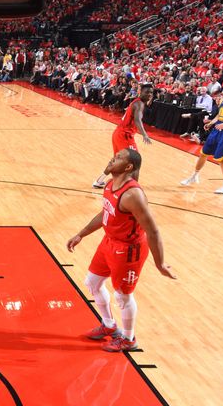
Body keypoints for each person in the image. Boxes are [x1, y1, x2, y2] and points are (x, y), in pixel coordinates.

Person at [67, 148, 177, 352]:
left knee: (122, 296)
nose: (112, 158)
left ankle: (129, 339)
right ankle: (109, 325)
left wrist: (160, 263)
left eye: (118, 158)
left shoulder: (133, 195)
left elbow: (152, 230)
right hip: (109, 242)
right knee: (92, 282)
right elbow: (105, 213)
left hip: (128, 250)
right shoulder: (110, 184)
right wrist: (81, 233)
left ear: (128, 167)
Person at [93, 84, 153, 188]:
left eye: (151, 92)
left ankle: (99, 181)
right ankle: (132, 188)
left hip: (118, 133)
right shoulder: (139, 104)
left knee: (116, 160)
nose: (149, 94)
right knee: (135, 161)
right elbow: (137, 120)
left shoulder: (137, 102)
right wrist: (145, 134)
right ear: (140, 92)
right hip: (125, 136)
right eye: (147, 92)